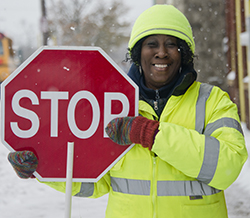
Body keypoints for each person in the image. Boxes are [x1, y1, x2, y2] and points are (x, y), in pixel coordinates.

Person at [8, 4, 248, 218]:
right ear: (137, 53)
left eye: (172, 44)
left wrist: (151, 134)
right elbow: (94, 181)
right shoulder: (114, 104)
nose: (161, 52)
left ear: (184, 53)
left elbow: (226, 167)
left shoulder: (212, 101)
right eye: (151, 44)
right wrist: (43, 168)